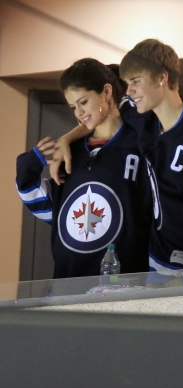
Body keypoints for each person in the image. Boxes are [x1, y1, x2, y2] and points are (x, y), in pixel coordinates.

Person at [50, 40, 183, 285]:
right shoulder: (143, 118)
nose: (130, 91)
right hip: (156, 260)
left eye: (135, 81)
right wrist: (66, 139)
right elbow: (101, 114)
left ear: (161, 78)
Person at [16, 59, 152, 279]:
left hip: (124, 288)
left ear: (106, 92)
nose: (78, 113)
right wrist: (28, 166)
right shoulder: (71, 151)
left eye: (83, 102)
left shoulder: (141, 144)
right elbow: (54, 209)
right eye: (73, 107)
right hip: (67, 288)